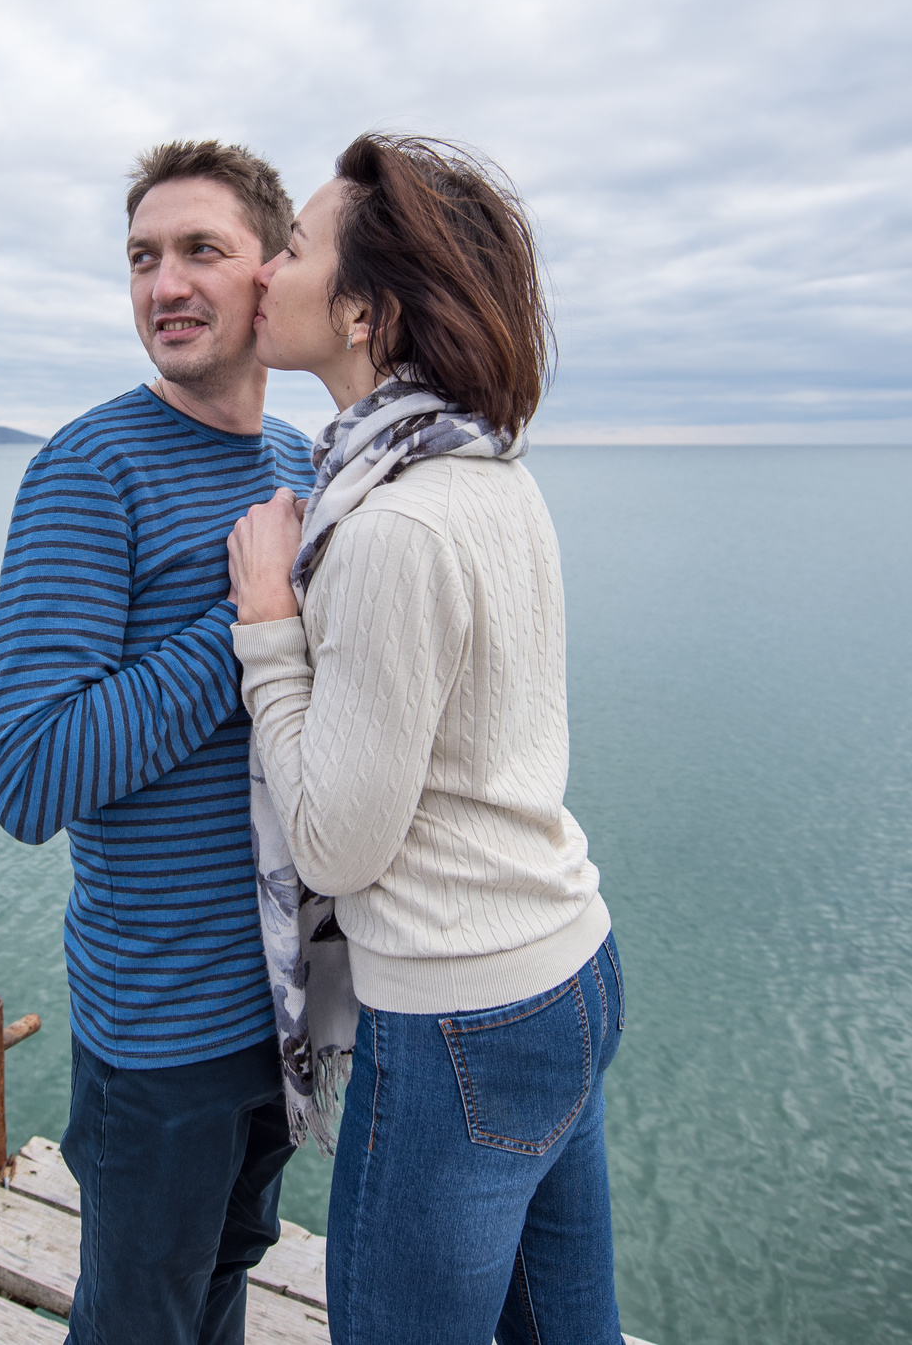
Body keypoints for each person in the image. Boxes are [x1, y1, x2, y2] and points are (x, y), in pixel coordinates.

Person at [226, 133, 624, 1345]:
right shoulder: (488, 471)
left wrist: (267, 631)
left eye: (288, 247)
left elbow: (340, 844)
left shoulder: (392, 526)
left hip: (460, 1017)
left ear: (363, 311)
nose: (261, 273)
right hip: (570, 968)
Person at [0, 138, 318, 1345]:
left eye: (198, 251)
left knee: (229, 1274)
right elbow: (27, 775)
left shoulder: (298, 459)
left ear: (273, 273)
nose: (163, 283)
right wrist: (243, 621)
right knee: (141, 1321)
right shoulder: (89, 470)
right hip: (161, 1030)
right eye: (141, 257)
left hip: (281, 997)